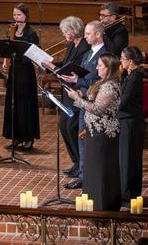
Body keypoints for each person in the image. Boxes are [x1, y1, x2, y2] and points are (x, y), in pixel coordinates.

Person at [65, 53, 122, 211]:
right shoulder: (101, 82)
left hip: (102, 134)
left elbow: (98, 109)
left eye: (100, 65)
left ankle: (101, 204)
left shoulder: (110, 86)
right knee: (91, 167)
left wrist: (77, 100)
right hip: (93, 131)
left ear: (108, 68)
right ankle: (91, 201)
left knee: (100, 168)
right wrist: (79, 95)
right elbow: (92, 100)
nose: (96, 67)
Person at [59, 20, 108, 190]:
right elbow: (84, 75)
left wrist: (78, 81)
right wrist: (77, 85)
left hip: (94, 104)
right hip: (83, 101)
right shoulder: (89, 53)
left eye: (88, 34)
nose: (85, 36)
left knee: (88, 141)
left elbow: (99, 80)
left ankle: (86, 176)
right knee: (82, 140)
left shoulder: (105, 54)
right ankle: (82, 174)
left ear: (98, 34)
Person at [40, 16, 89, 179]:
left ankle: (81, 164)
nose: (63, 35)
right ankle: (76, 161)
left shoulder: (84, 47)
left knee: (72, 127)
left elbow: (73, 71)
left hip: (77, 92)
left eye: (65, 32)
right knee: (63, 126)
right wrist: (49, 65)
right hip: (67, 93)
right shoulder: (72, 44)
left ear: (73, 31)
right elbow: (65, 64)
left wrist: (53, 67)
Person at [2, 3, 40, 151]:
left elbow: (35, 53)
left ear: (25, 16)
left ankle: (28, 138)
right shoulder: (12, 30)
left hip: (25, 72)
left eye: (18, 15)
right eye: (14, 14)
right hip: (14, 71)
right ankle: (16, 136)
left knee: (25, 104)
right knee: (13, 103)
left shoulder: (31, 34)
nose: (16, 17)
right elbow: (6, 47)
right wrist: (4, 61)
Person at [119, 46, 145, 206]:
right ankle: (130, 194)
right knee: (127, 159)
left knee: (128, 160)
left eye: (122, 59)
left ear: (130, 61)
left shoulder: (134, 78)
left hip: (130, 123)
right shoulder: (130, 75)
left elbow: (123, 102)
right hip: (128, 121)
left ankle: (128, 197)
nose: (120, 61)